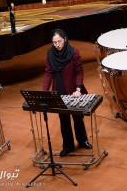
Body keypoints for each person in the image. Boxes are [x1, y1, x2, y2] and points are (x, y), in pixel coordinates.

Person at [43, 29, 92, 157]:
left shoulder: (73, 52)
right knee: (63, 119)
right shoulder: (50, 54)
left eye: (59, 41)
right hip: (59, 91)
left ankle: (83, 141)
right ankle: (68, 146)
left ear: (65, 39)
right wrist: (44, 93)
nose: (57, 45)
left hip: (73, 90)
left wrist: (78, 89)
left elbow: (79, 71)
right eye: (54, 43)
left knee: (77, 117)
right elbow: (48, 74)